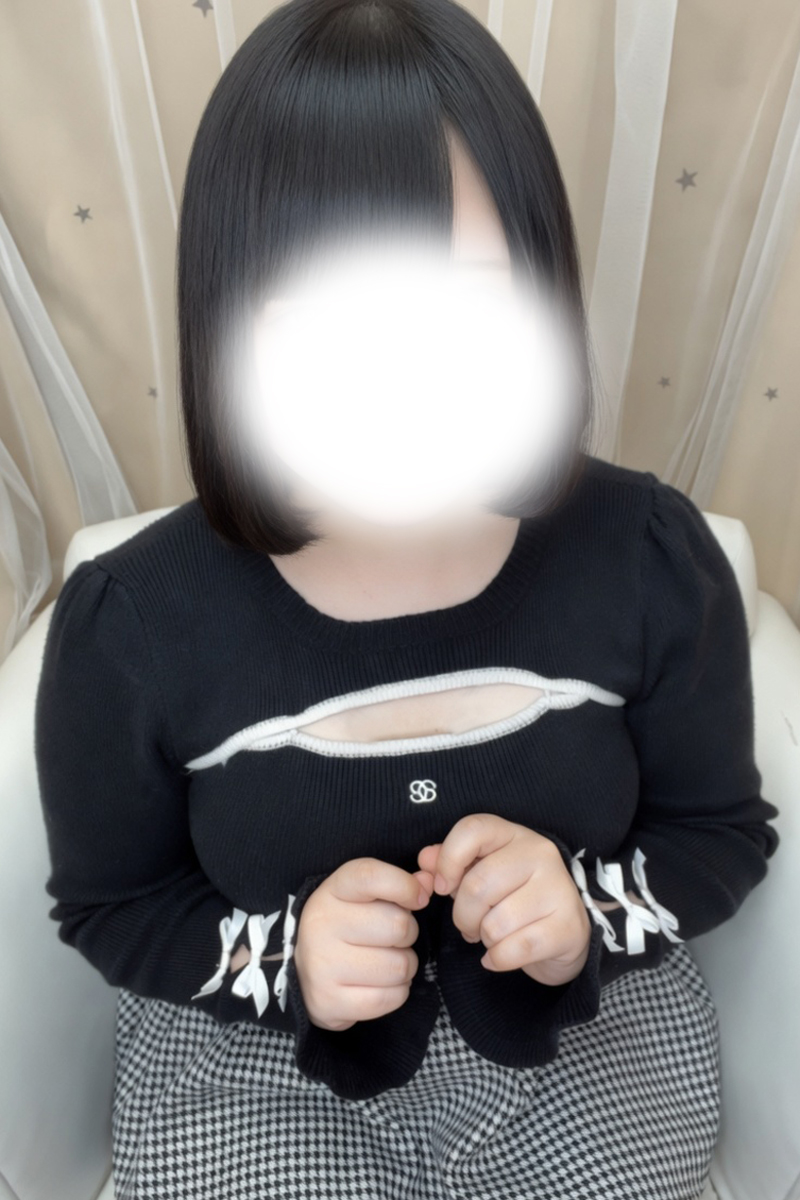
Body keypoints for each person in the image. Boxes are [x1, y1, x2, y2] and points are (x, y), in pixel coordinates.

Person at [34, 1, 780, 1197]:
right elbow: (113, 905)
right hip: (255, 1067)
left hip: (589, 1038)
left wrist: (580, 913)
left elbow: (719, 835)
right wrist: (288, 961)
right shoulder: (131, 624)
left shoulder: (646, 556)